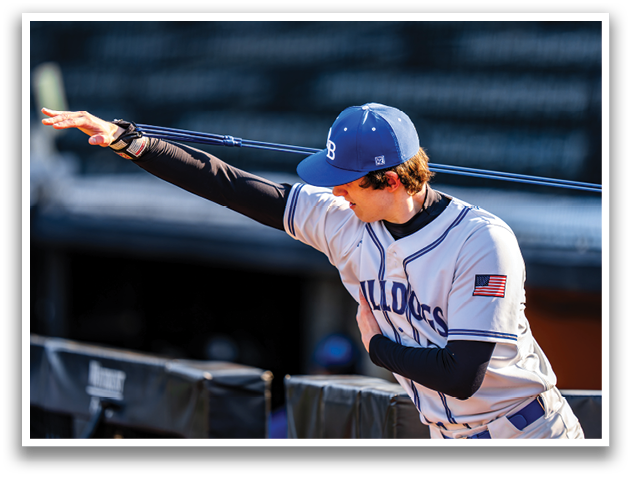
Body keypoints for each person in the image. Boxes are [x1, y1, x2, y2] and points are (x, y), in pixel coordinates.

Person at [40, 103, 585, 439]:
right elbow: (232, 185)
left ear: (393, 181)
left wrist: (377, 349)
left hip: (526, 436)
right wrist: (135, 143)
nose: (334, 190)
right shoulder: (343, 218)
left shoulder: (483, 241)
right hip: (448, 436)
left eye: (347, 181)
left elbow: (460, 375)